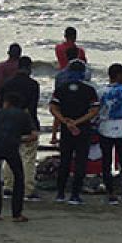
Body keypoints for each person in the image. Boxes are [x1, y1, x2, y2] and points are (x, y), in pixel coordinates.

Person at [48, 59, 99, 205]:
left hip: (66, 129)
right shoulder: (89, 90)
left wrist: (65, 121)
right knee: (80, 161)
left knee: (65, 160)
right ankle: (75, 194)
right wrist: (78, 122)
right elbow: (94, 110)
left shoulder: (61, 89)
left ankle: (60, 193)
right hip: (83, 129)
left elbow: (53, 108)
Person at [0, 92, 37, 222]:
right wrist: (19, 139)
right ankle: (16, 214)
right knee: (18, 177)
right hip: (10, 146)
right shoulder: (23, 115)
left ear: (7, 102)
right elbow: (33, 135)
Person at [1, 56, 42, 202]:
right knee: (28, 157)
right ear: (29, 68)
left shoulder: (7, 83)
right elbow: (32, 107)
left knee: (9, 154)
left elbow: (1, 105)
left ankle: (8, 186)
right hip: (27, 122)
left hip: (9, 122)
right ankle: (27, 188)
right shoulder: (33, 85)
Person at [98, 63, 122, 205]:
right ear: (119, 75)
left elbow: (99, 108)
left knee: (106, 162)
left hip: (106, 128)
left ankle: (111, 193)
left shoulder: (102, 91)